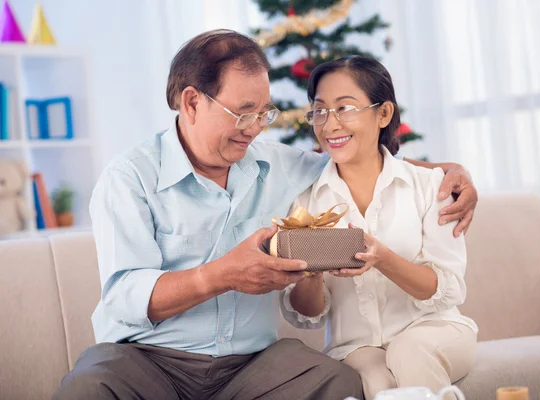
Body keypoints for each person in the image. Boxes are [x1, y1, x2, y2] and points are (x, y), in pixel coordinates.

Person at [54, 30, 477, 400]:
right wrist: (221, 275)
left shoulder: (275, 163)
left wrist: (448, 172)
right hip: (146, 359)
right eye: (244, 112)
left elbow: (357, 156)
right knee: (88, 389)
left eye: (264, 113)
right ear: (192, 102)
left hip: (249, 367)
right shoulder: (129, 178)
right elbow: (124, 297)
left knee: (337, 382)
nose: (255, 127)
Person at [280, 56, 478, 400]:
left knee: (408, 351)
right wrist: (310, 275)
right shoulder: (305, 201)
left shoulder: (432, 186)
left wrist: (383, 258)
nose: (330, 125)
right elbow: (306, 314)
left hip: (436, 330)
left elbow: (447, 289)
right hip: (357, 347)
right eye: (320, 110)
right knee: (374, 382)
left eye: (345, 108)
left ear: (383, 114)